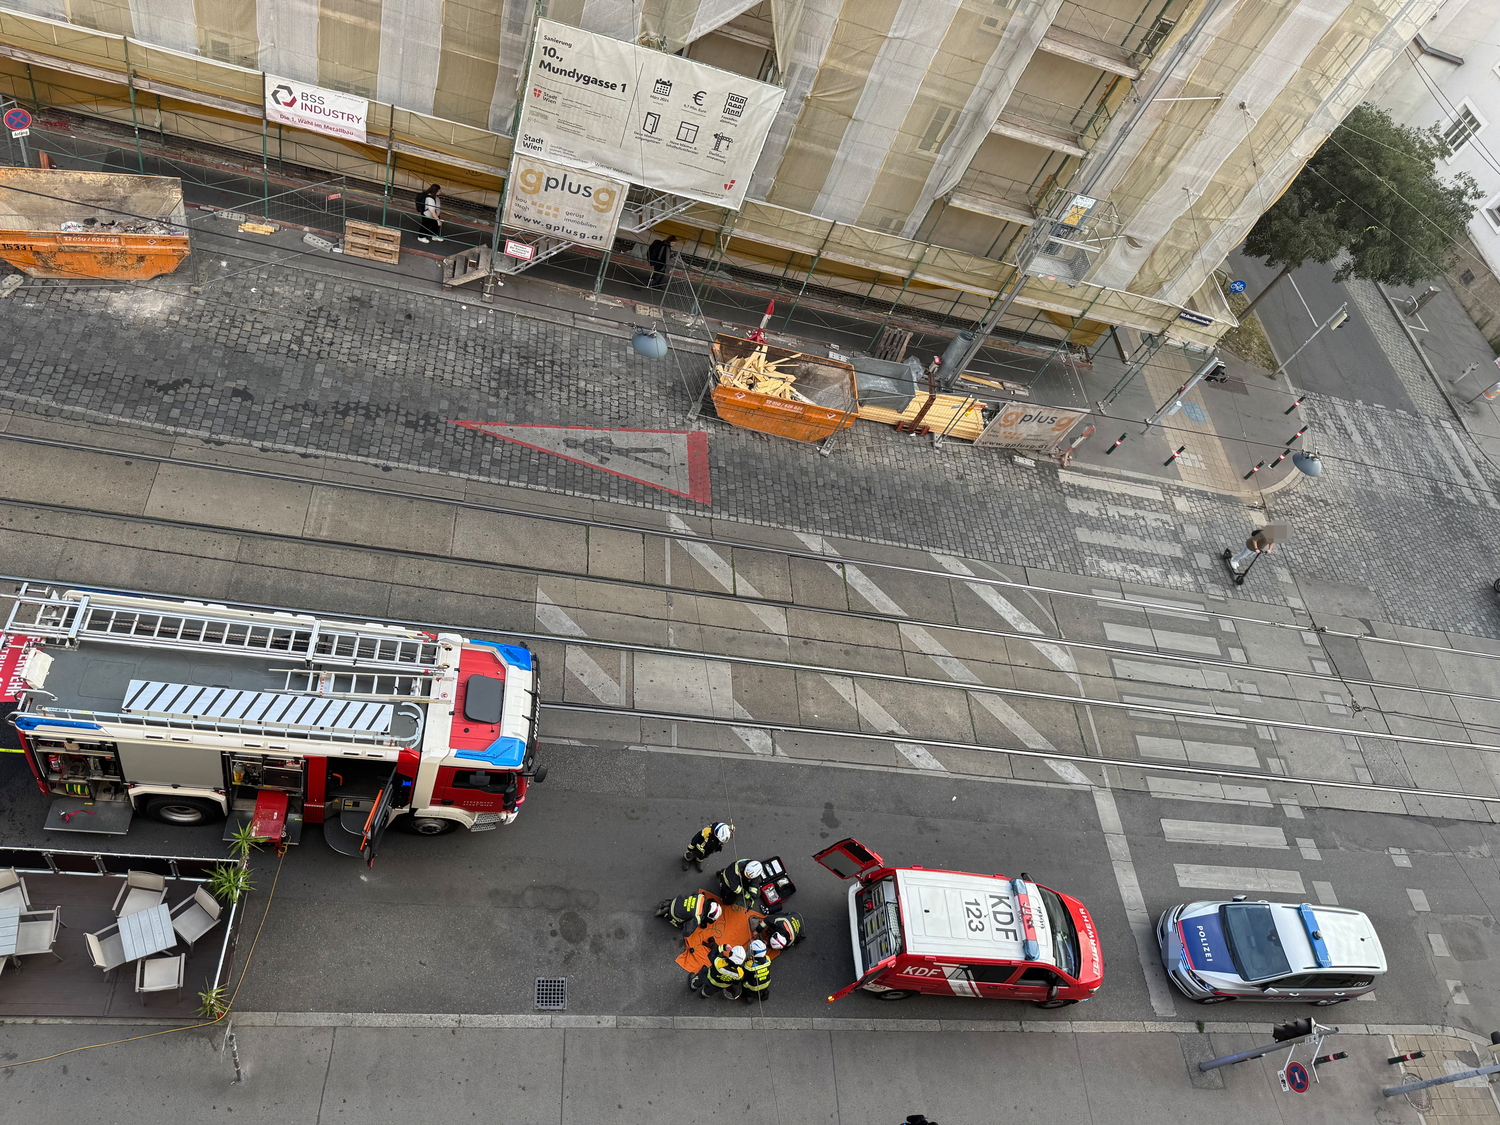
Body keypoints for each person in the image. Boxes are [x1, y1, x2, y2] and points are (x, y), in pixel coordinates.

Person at [653, 892, 722, 938]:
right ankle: (666, 913)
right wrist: (693, 926)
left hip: (677, 900)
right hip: (675, 913)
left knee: (684, 905)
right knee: (682, 925)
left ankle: (668, 903)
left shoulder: (702, 897)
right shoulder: (697, 917)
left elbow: (693, 894)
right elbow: (685, 933)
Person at [741, 938, 771, 1003]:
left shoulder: (750, 965)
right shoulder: (768, 959)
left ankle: (750, 996)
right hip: (766, 984)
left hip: (753, 987)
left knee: (744, 984)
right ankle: (764, 993)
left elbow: (745, 976)